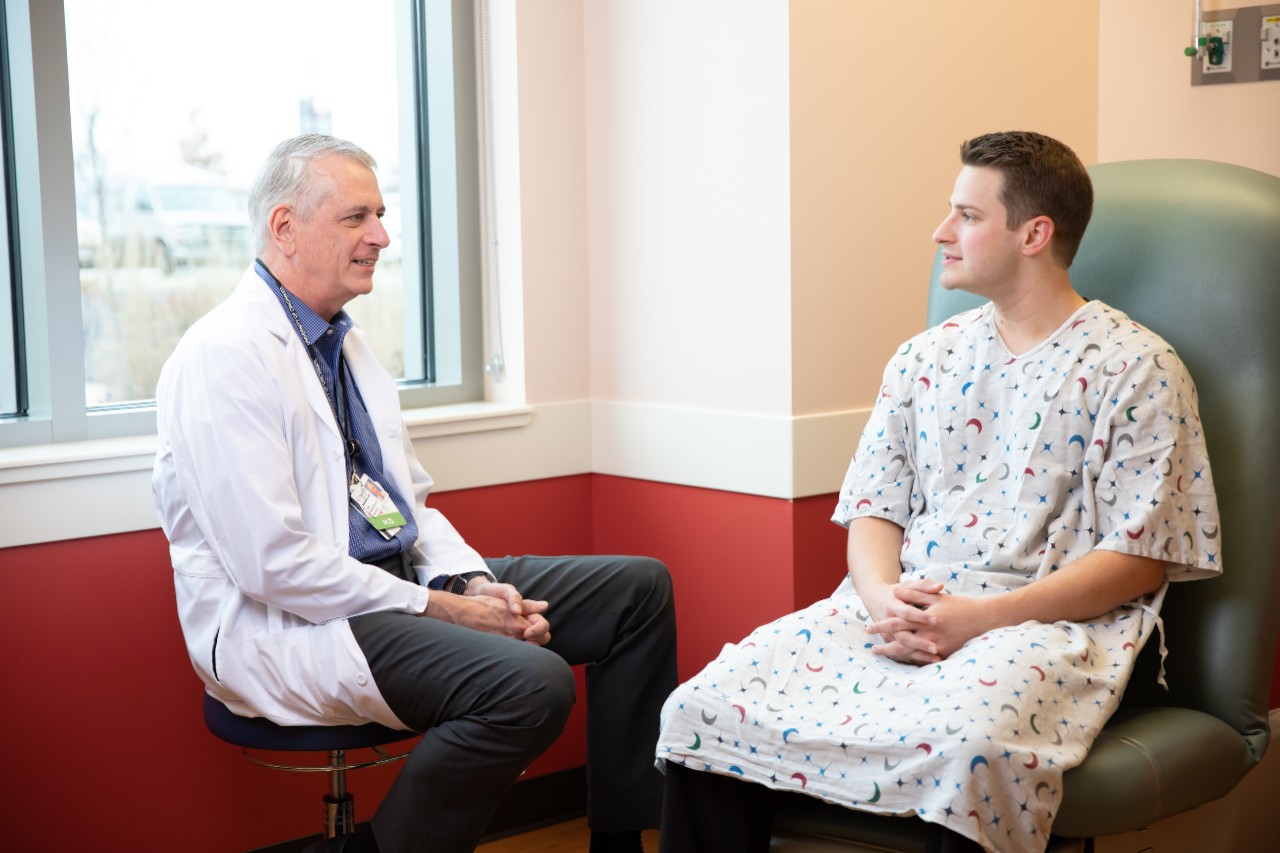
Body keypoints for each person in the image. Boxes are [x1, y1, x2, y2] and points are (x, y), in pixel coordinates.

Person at [654, 131, 1221, 853]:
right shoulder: (925, 358)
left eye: (967, 215)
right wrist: (882, 596)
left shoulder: (1138, 367)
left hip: (1049, 628)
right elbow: (873, 509)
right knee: (705, 707)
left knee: (969, 749)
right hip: (904, 609)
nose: (940, 232)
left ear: (1033, 233)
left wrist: (979, 619)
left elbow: (1140, 557)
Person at [151, 134, 676, 853]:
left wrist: (475, 583)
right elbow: (270, 565)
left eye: (381, 214)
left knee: (637, 591)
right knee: (532, 683)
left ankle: (619, 841)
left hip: (397, 584)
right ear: (284, 227)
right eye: (356, 217)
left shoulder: (348, 347)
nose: (382, 236)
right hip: (298, 622)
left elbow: (409, 506)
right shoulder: (222, 357)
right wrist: (447, 607)